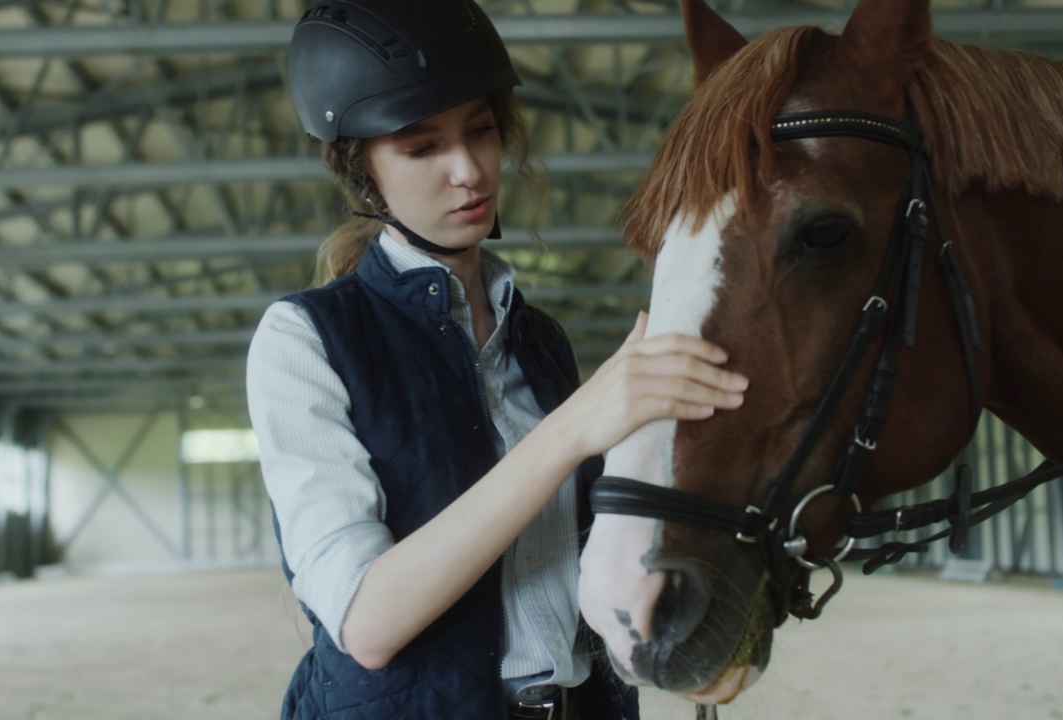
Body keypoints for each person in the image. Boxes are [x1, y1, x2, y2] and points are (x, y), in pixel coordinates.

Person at [246, 1, 749, 718]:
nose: (469, 170)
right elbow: (368, 621)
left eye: (480, 131)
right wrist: (573, 428)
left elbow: (574, 576)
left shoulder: (538, 341)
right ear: (363, 172)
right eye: (422, 148)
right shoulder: (303, 339)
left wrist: (682, 637)